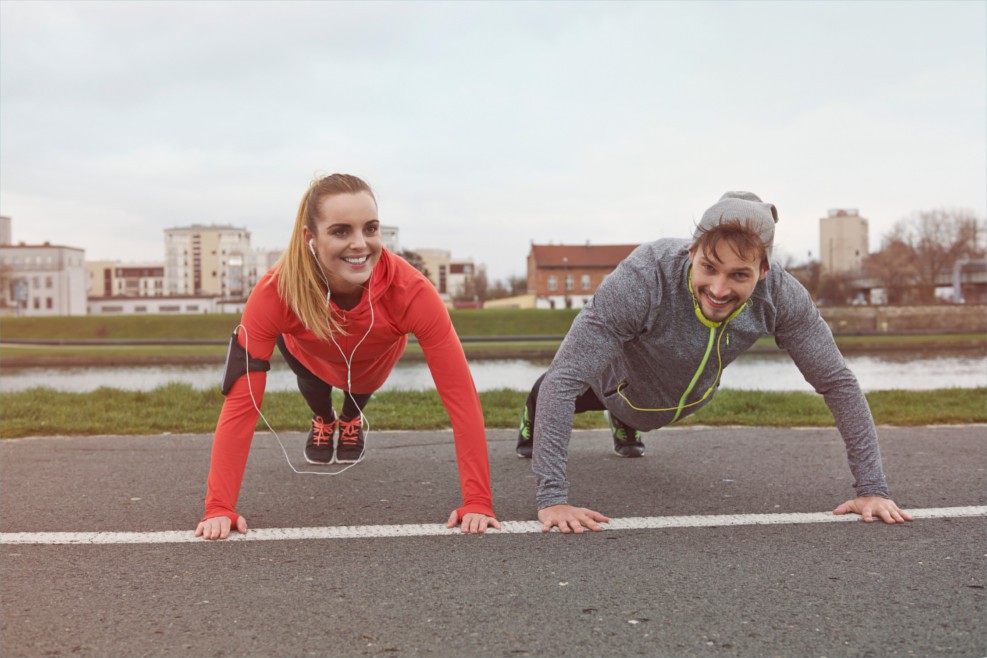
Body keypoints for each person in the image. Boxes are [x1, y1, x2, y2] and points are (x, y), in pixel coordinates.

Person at [516, 191, 912, 533]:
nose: (719, 290)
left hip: (688, 395)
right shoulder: (643, 278)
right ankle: (544, 415)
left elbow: (837, 383)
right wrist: (553, 499)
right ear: (692, 253)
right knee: (561, 386)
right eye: (708, 268)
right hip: (614, 383)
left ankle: (627, 421)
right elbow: (565, 379)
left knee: (650, 408)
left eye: (739, 275)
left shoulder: (782, 297)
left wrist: (872, 490)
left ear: (763, 270)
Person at [196, 173, 499, 540]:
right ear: (312, 238)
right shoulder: (275, 291)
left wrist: (478, 501)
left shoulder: (413, 291)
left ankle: (351, 419)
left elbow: (461, 397)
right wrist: (219, 507)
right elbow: (241, 403)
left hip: (372, 362)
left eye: (370, 228)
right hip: (309, 356)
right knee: (315, 389)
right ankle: (323, 419)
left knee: (358, 392)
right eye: (341, 231)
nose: (360, 244)